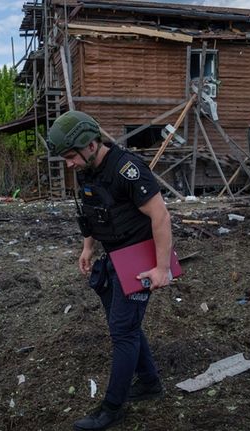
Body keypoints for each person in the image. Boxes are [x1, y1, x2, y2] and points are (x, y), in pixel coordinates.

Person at [47, 111, 171, 431]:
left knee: (122, 331)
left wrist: (161, 267)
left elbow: (160, 216)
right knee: (126, 325)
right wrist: (88, 247)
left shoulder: (127, 169)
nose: (68, 164)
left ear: (90, 145)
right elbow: (93, 212)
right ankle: (148, 382)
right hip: (113, 257)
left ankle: (112, 408)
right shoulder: (86, 169)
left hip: (139, 258)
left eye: (71, 156)